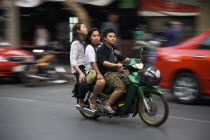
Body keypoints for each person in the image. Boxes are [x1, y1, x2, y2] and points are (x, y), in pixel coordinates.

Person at [97, 28, 128, 114]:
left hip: (117, 73)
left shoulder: (115, 47)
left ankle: (121, 102)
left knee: (132, 82)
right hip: (107, 73)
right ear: (105, 38)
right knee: (120, 87)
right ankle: (107, 105)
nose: (113, 38)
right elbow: (104, 62)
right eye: (110, 36)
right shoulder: (101, 50)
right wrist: (116, 65)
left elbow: (123, 58)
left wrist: (133, 61)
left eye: (114, 36)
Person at [85, 27, 106, 110]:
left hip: (102, 69)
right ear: (90, 37)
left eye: (98, 35)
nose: (96, 37)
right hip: (92, 72)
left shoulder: (101, 45)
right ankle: (93, 99)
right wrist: (99, 74)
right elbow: (93, 63)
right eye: (94, 36)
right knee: (101, 82)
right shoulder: (89, 48)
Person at [70, 23, 89, 107]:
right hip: (79, 67)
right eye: (84, 27)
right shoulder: (75, 44)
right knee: (84, 83)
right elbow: (73, 61)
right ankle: (81, 99)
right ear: (78, 31)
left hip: (87, 66)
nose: (86, 28)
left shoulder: (86, 42)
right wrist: (80, 73)